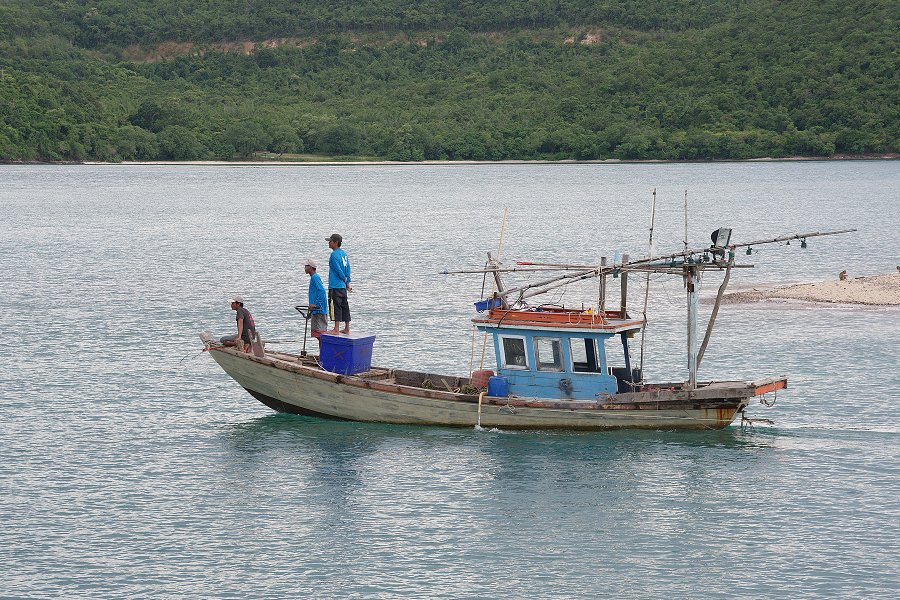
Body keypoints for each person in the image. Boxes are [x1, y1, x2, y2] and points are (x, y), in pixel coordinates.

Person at [326, 233, 352, 334]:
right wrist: (347, 282)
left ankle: (336, 328)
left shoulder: (334, 255)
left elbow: (338, 270)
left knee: (335, 305)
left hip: (335, 285)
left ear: (336, 243)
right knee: (344, 305)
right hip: (342, 285)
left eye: (330, 241)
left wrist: (344, 280)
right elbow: (348, 268)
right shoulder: (344, 254)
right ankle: (347, 328)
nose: (329, 243)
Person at [304, 258, 328, 342]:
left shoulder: (315, 278)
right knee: (316, 333)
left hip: (319, 310)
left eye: (306, 266)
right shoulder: (313, 278)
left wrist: (316, 304)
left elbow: (321, 291)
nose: (305, 268)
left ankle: (323, 353)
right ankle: (321, 353)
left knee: (320, 333)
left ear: (310, 267)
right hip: (315, 310)